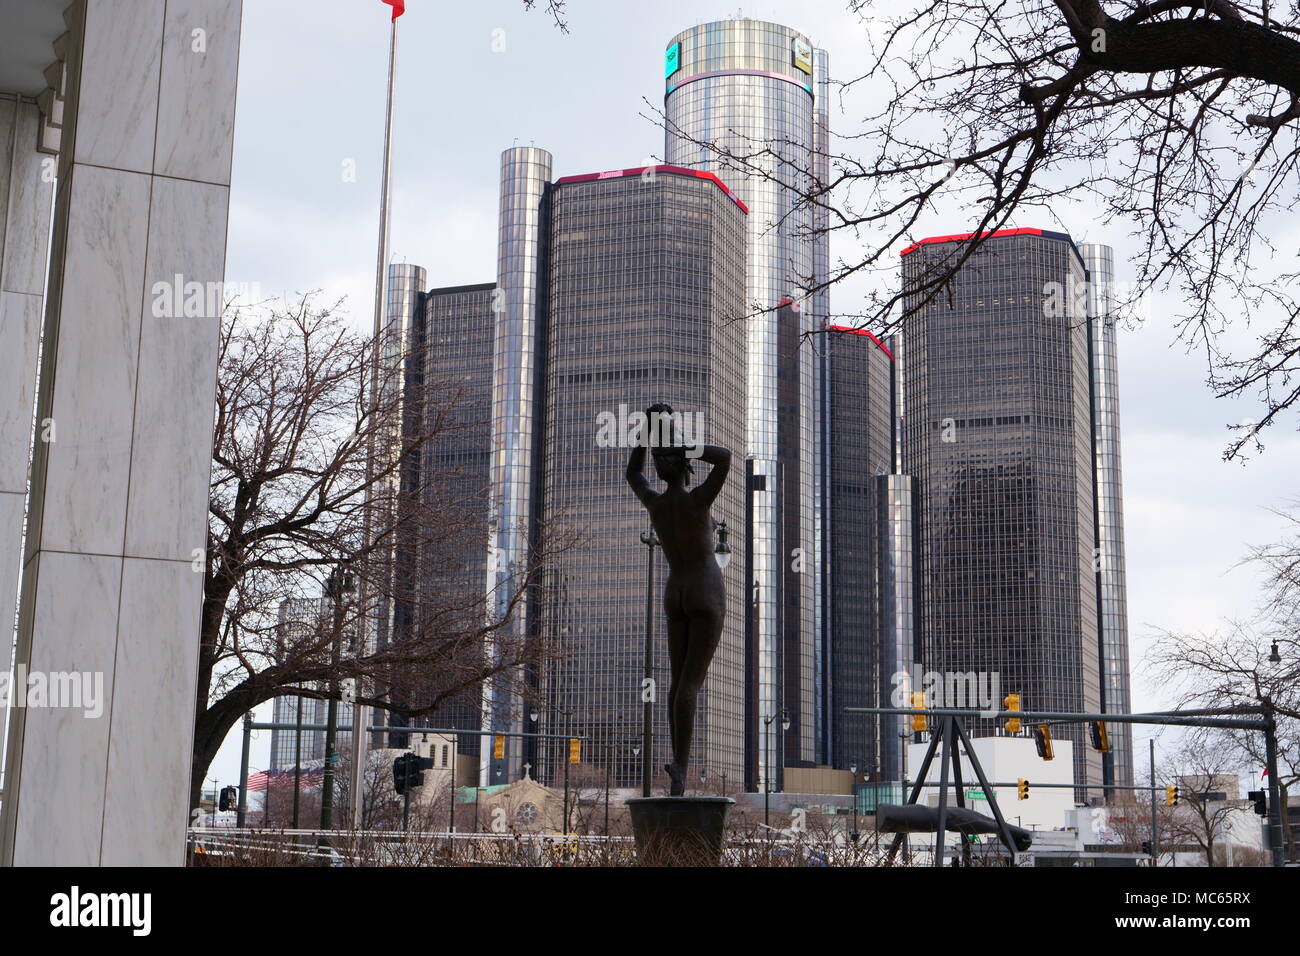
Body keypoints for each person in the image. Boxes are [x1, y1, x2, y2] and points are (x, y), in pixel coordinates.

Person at [625, 403, 730, 796]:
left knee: (674, 686)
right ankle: (682, 770)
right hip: (705, 589)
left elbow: (633, 472)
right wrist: (681, 444)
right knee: (691, 685)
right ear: (685, 467)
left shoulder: (657, 504)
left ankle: (678, 765)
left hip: (676, 592)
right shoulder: (698, 500)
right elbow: (723, 457)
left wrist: (649, 431)